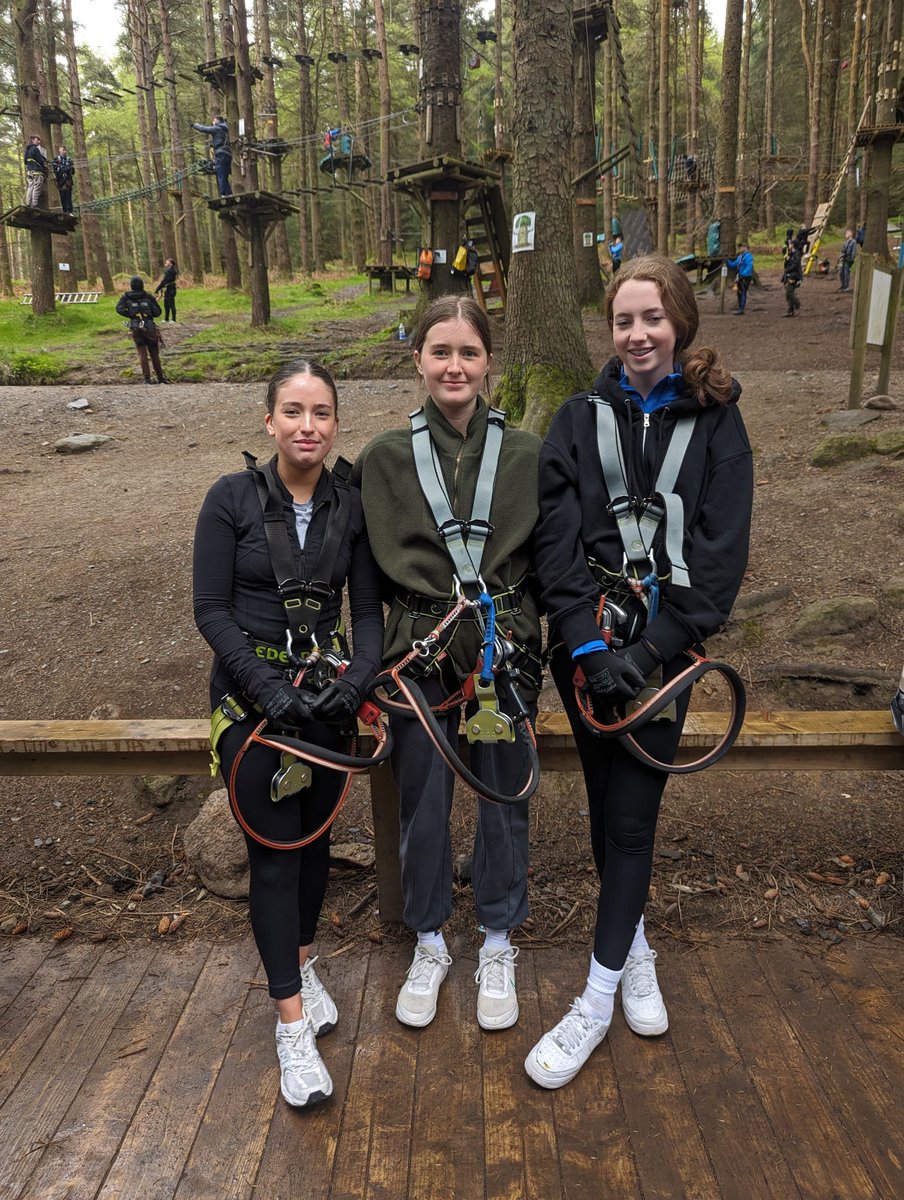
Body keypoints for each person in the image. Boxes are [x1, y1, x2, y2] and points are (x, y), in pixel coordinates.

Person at [525, 255, 752, 1089]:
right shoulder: (579, 418)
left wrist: (650, 652)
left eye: (652, 318)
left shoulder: (719, 426)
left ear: (679, 323)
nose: (638, 334)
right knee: (603, 800)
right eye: (624, 320)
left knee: (632, 818)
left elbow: (719, 556)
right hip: (584, 651)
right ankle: (635, 948)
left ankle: (594, 998)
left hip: (666, 652)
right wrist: (587, 646)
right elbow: (554, 538)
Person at [193, 359, 383, 1109]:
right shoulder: (231, 500)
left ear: (337, 424)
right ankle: (291, 1028)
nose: (309, 426)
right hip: (253, 705)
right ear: (269, 420)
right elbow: (211, 610)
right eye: (294, 412)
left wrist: (357, 679)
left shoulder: (351, 505)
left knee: (315, 850)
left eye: (323, 413)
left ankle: (301, 966)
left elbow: (364, 612)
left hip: (328, 701)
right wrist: (266, 688)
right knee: (274, 858)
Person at [351, 296, 543, 1033]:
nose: (454, 366)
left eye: (468, 351)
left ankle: (497, 936)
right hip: (419, 648)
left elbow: (551, 557)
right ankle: (429, 938)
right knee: (422, 796)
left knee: (503, 793)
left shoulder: (527, 454)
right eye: (440, 352)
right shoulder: (384, 459)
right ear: (418, 361)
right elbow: (362, 566)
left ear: (488, 360)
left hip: (503, 645)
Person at [115, 276, 169, 385]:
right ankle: (160, 378)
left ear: (131, 285)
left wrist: (131, 314)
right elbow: (157, 312)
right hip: (149, 326)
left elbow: (119, 309)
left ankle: (147, 379)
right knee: (154, 353)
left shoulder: (126, 297)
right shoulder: (148, 296)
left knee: (142, 353)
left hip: (135, 326)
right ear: (142, 285)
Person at [192, 114, 233, 196]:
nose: (213, 122)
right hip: (228, 154)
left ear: (217, 121)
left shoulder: (217, 128)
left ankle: (224, 194)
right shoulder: (226, 129)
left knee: (220, 173)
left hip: (221, 153)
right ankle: (229, 193)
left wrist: (194, 125)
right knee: (224, 175)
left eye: (213, 121)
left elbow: (203, 129)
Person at [725, 243, 754, 313]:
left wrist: (743, 274)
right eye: (739, 247)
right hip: (740, 276)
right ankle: (740, 307)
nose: (739, 248)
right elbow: (733, 264)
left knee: (743, 292)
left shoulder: (748, 256)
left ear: (745, 248)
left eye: (741, 247)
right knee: (739, 292)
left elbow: (749, 266)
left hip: (745, 277)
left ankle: (742, 309)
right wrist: (727, 260)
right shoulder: (740, 257)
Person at [24, 135, 48, 209]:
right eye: (37, 140)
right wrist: (44, 165)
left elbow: (25, 161)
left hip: (29, 171)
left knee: (30, 187)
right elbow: (40, 160)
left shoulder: (27, 150)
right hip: (37, 171)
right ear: (32, 140)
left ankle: (28, 203)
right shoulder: (35, 149)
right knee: (36, 187)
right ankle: (34, 204)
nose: (39, 142)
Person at [52, 145, 75, 214]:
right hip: (61, 181)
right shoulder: (56, 160)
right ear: (59, 151)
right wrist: (62, 170)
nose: (64, 152)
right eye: (63, 150)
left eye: (65, 150)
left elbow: (73, 172)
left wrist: (69, 169)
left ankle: (70, 211)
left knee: (68, 197)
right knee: (62, 197)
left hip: (68, 181)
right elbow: (55, 170)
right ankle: (65, 211)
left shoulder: (69, 160)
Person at [782, 244, 803, 316]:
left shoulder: (796, 255)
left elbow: (795, 265)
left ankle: (797, 304)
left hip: (794, 276)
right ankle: (790, 310)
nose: (789, 245)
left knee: (789, 292)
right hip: (790, 275)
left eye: (790, 244)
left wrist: (787, 270)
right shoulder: (791, 254)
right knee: (788, 294)